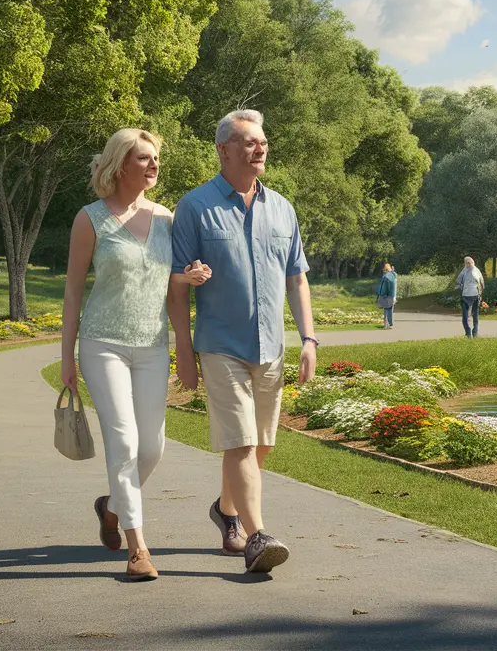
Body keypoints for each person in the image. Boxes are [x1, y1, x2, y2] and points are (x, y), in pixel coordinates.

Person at [169, 109, 317, 574]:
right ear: (224, 150)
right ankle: (258, 537)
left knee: (261, 445)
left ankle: (225, 510)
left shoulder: (283, 208)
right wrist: (184, 349)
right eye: (250, 142)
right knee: (241, 445)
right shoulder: (194, 207)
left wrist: (309, 339)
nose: (260, 148)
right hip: (220, 345)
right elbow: (175, 284)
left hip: (270, 347)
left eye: (263, 141)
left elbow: (297, 279)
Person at [61, 128, 211, 582]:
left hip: (151, 346)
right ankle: (137, 547)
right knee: (124, 441)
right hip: (102, 344)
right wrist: (66, 357)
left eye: (155, 158)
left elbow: (170, 286)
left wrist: (189, 283)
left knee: (152, 447)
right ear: (119, 163)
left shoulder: (165, 218)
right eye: (144, 158)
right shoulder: (90, 219)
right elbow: (72, 292)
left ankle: (111, 507)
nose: (153, 165)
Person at [456, 256, 485, 338]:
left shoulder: (470, 271)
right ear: (465, 263)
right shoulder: (466, 270)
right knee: (467, 316)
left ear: (473, 263)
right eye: (467, 263)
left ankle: (473, 333)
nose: (469, 264)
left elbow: (481, 283)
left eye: (470, 263)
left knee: (473, 315)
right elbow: (459, 281)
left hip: (472, 295)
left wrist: (480, 294)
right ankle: (470, 333)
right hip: (467, 295)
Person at [376, 262, 397, 329]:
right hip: (391, 295)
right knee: (390, 310)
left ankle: (386, 325)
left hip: (385, 295)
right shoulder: (393, 276)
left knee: (386, 310)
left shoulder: (385, 277)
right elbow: (393, 286)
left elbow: (383, 287)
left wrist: (382, 294)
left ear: (385, 269)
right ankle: (390, 325)